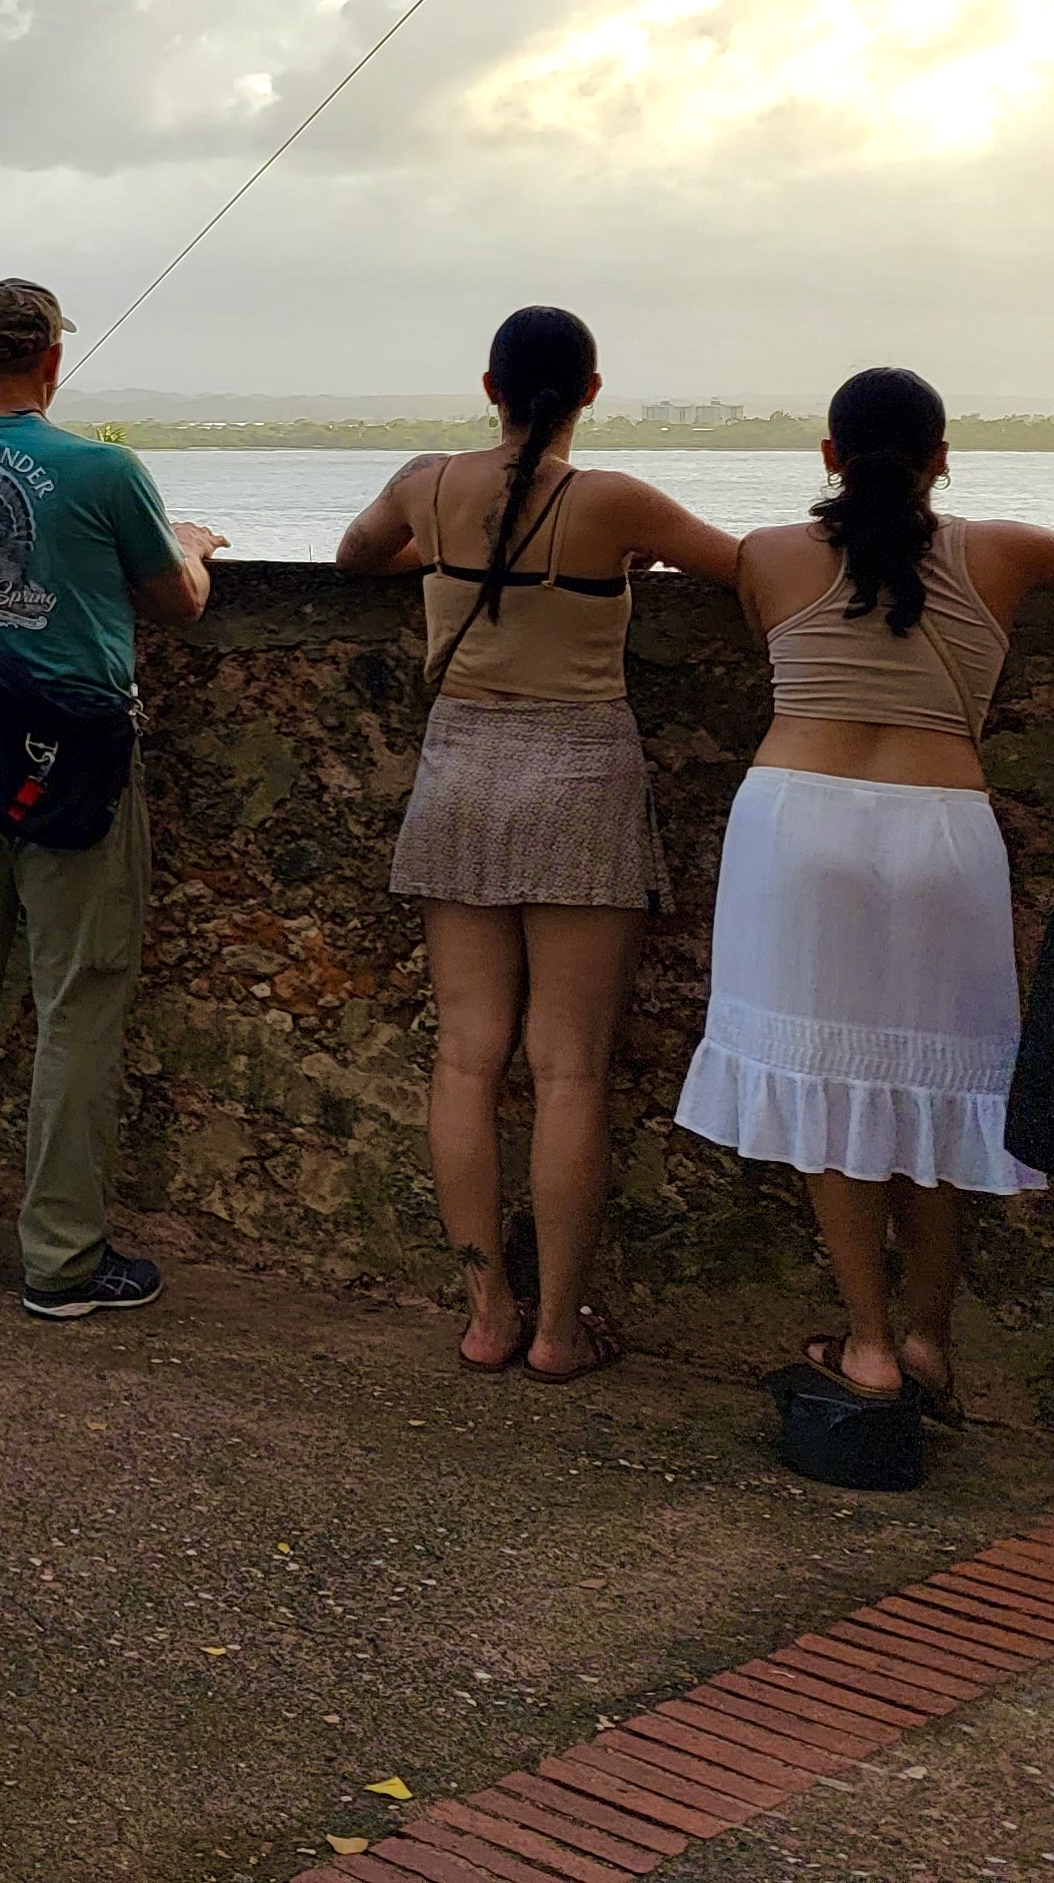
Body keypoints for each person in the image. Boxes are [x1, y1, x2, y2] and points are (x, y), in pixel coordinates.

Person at [673, 367, 1054, 1427]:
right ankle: (929, 1341)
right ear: (941, 458)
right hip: (941, 831)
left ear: (829, 456)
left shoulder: (768, 555)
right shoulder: (1007, 552)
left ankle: (864, 1344)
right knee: (937, 1085)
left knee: (828, 1084)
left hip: (796, 827)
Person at [333, 307, 743, 1380]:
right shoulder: (613, 501)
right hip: (579, 777)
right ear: (591, 392)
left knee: (465, 1057)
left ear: (489, 387)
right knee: (569, 1068)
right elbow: (747, 569)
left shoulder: (427, 483)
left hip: (460, 772)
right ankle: (558, 1330)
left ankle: (485, 1315)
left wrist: (453, 561)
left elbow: (355, 556)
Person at [0, 281, 222, 1317]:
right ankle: (62, 1257)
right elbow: (176, 604)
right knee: (78, 996)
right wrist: (193, 547)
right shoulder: (106, 470)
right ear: (52, 362)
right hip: (72, 745)